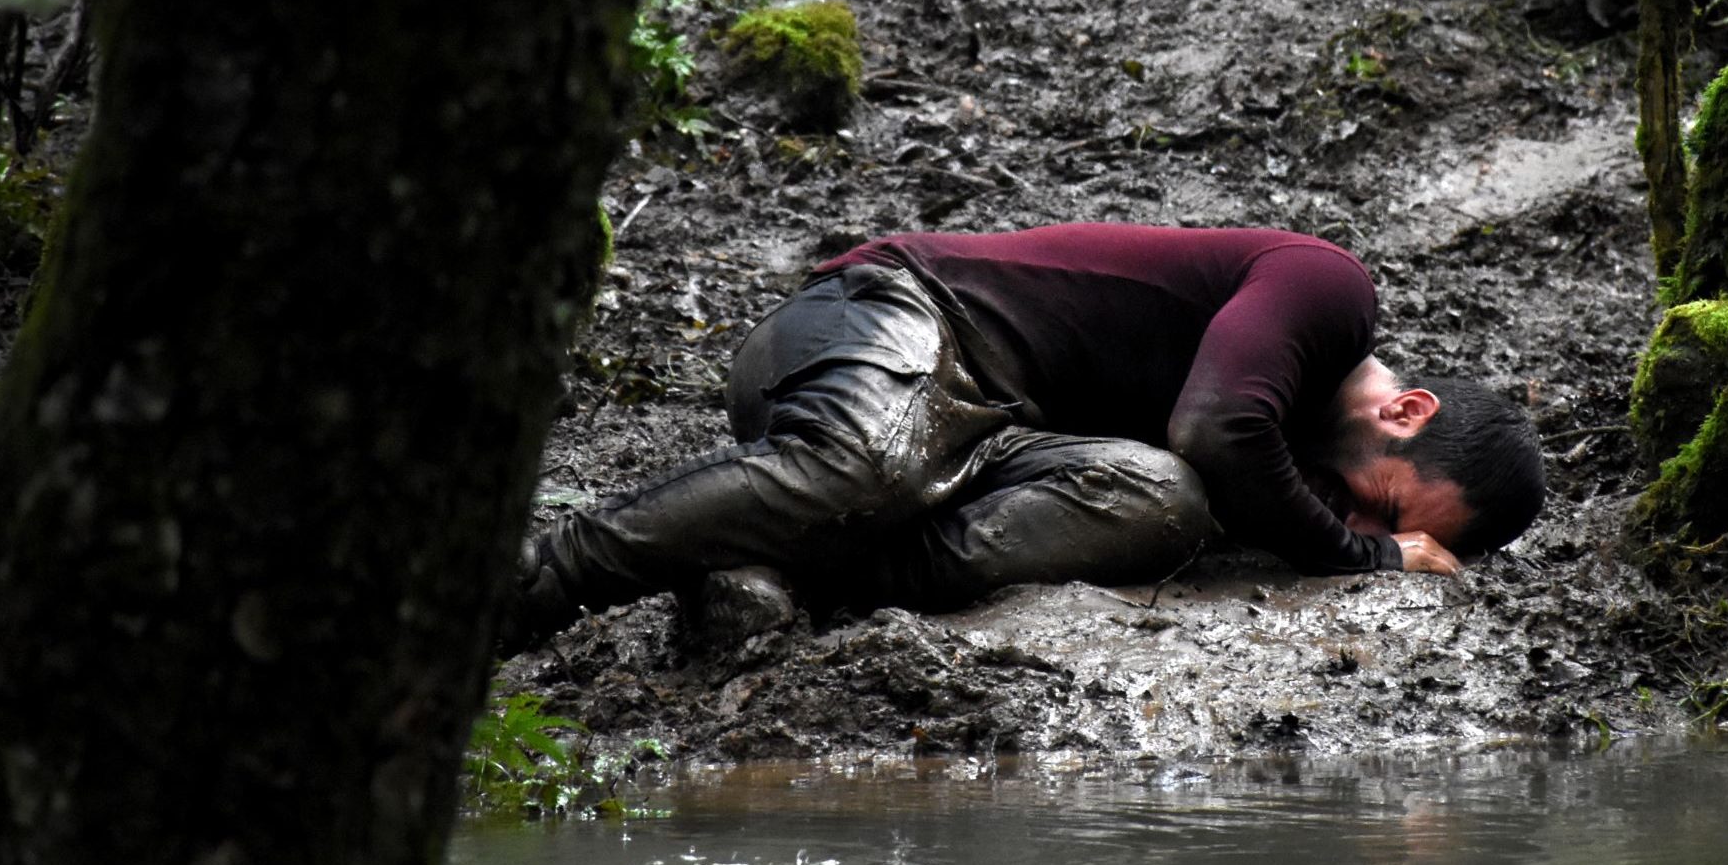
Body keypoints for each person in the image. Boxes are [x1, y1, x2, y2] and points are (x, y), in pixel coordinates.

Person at [507, 223, 1543, 647]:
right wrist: (1366, 554)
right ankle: (535, 581)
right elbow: (1214, 426)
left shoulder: (1276, 468)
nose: (1349, 516)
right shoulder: (1330, 290)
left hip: (988, 447)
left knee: (1158, 500)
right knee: (871, 458)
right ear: (1407, 413)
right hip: (895, 320)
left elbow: (1190, 467)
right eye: (1384, 501)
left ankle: (774, 569)